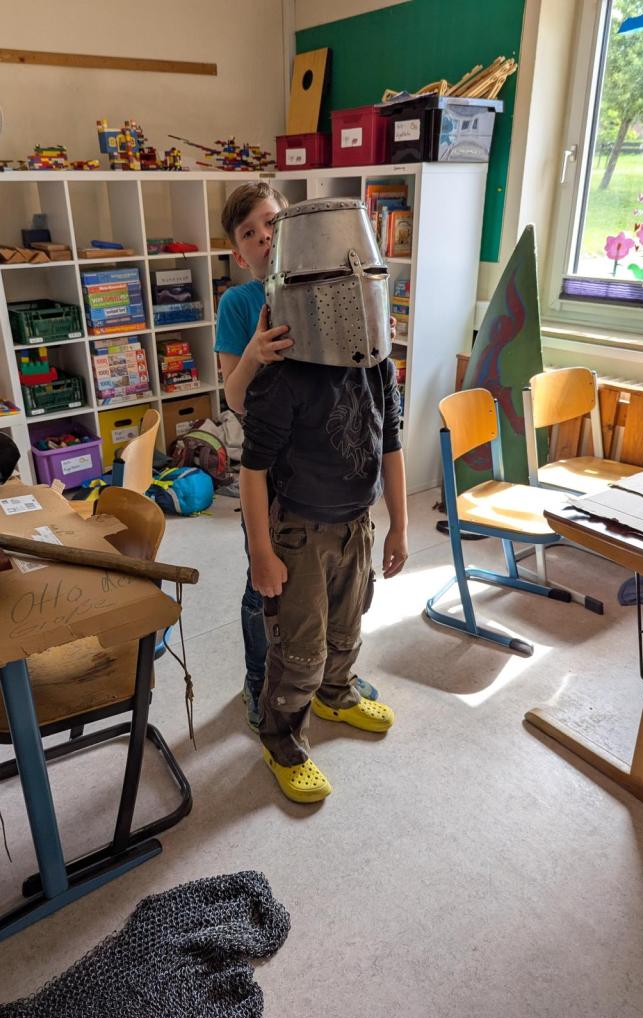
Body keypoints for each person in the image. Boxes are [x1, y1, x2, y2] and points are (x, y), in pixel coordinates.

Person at [238, 261, 409, 803]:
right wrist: (261, 553)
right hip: (300, 536)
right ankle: (281, 739)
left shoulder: (378, 366)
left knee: (346, 626)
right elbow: (252, 470)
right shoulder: (285, 378)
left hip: (356, 526)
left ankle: (336, 694)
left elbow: (391, 445)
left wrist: (399, 527)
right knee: (299, 650)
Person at [215, 182, 380, 732]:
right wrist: (254, 355)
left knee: (332, 588)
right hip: (271, 473)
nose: (264, 237)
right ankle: (259, 679)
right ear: (240, 254)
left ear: (294, 228)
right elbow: (234, 398)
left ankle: (330, 679)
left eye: (271, 223)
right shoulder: (239, 303)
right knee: (264, 584)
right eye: (250, 233)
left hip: (327, 467)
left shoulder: (328, 281)